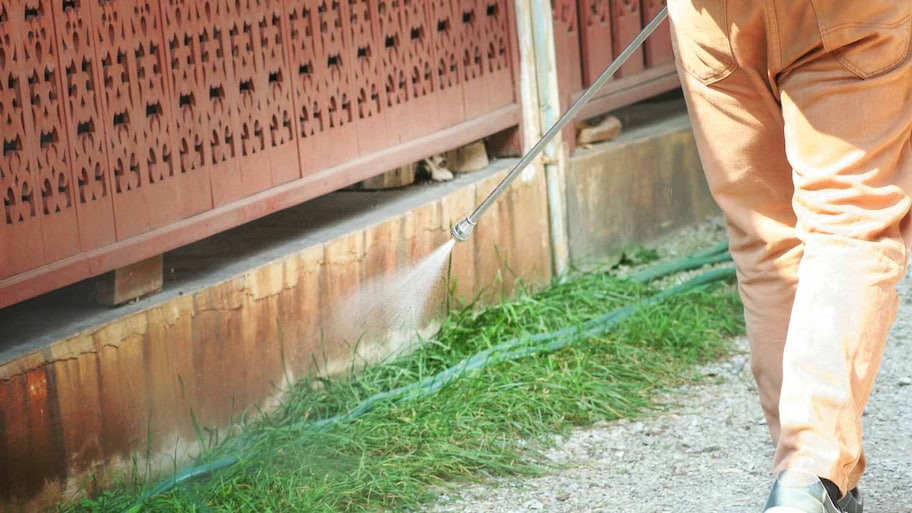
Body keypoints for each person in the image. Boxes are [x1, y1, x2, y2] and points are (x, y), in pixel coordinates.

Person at [666, 1, 912, 512]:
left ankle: (805, 474)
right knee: (848, 219)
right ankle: (811, 471)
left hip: (714, 17)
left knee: (766, 237)